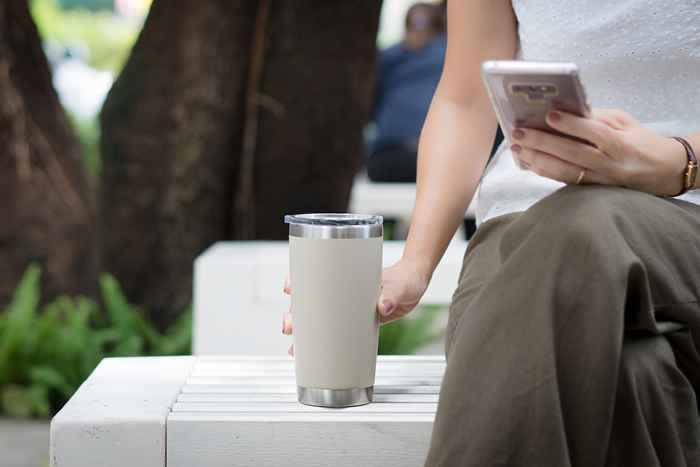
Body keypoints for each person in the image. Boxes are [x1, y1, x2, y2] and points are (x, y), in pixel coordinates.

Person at [285, 0, 700, 465]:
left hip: (684, 220)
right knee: (636, 375)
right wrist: (415, 265)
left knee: (581, 225)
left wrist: (677, 161)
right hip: (515, 233)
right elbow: (465, 100)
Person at [366, 3, 446, 183]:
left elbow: (373, 104)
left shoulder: (389, 57)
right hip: (434, 157)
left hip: (388, 158)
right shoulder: (449, 55)